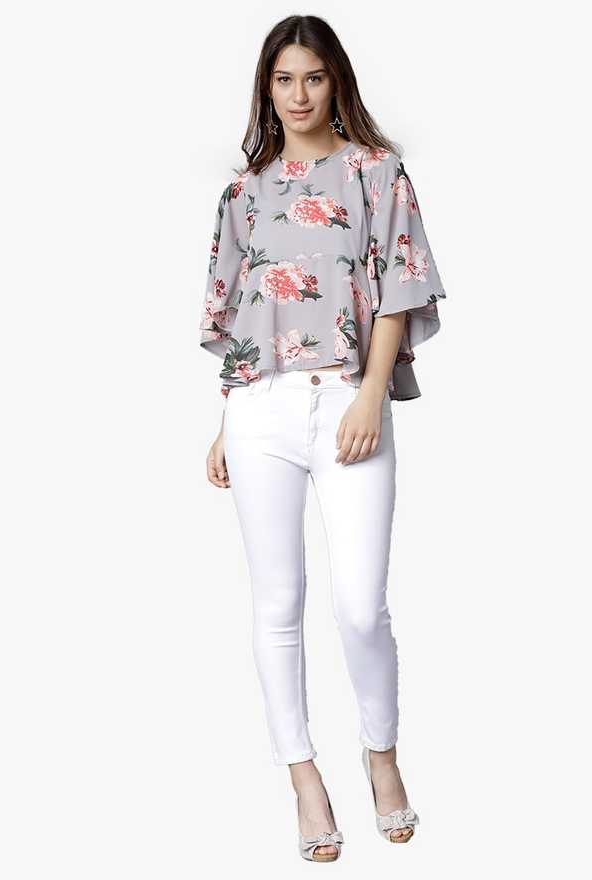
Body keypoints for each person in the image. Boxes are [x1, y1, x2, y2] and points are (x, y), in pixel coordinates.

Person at [198, 14, 446, 862]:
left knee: (359, 606)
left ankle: (382, 756)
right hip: (258, 409)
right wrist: (224, 422)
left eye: (312, 77)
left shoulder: (378, 172)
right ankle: (304, 778)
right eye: (283, 80)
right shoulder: (244, 194)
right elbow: (241, 314)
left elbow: (399, 286)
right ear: (265, 90)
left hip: (347, 399)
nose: (298, 95)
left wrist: (373, 393)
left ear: (335, 80)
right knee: (277, 604)